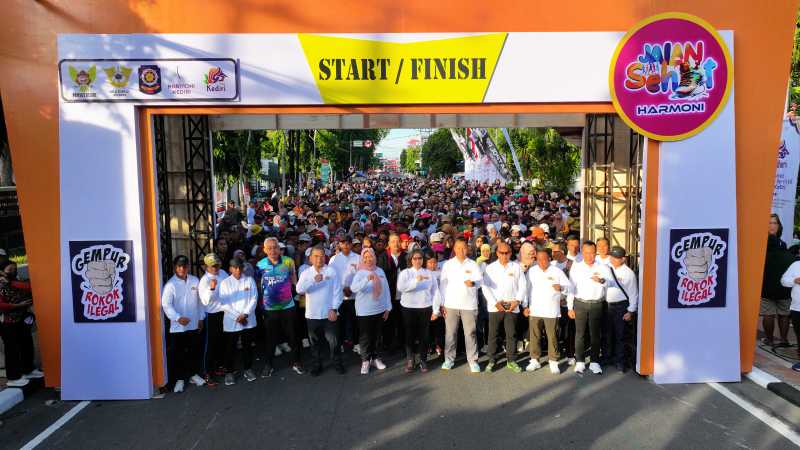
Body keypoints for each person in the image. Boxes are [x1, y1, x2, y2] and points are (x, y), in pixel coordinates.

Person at [257, 237, 304, 377]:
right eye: (269, 248)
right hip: (270, 308)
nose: (273, 250)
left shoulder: (288, 261)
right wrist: (261, 304)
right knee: (270, 339)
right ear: (265, 250)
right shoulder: (260, 264)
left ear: (279, 248)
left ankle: (297, 362)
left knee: (293, 336)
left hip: (288, 306)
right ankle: (269, 365)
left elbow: (294, 279)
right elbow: (259, 284)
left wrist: (297, 295)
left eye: (275, 247)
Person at [296, 246, 344, 376]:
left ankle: (337, 362)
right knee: (315, 343)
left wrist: (334, 309)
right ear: (310, 258)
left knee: (334, 341)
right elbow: (299, 289)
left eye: (322, 256)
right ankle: (317, 365)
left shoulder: (331, 271)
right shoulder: (306, 273)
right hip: (312, 315)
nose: (319, 259)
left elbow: (338, 292)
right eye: (316, 256)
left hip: (330, 313)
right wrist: (313, 280)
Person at [160, 255, 206, 393]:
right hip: (178, 326)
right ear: (175, 267)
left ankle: (193, 375)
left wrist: (201, 318)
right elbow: (166, 305)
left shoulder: (195, 280)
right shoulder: (170, 285)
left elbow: (200, 301)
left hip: (193, 323)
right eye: (179, 266)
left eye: (184, 266)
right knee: (179, 353)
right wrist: (177, 318)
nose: (182, 269)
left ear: (188, 267)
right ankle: (180, 379)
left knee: (193, 351)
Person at [437, 237, 483, 373]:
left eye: (463, 248)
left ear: (467, 249)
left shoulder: (473, 264)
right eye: (458, 248)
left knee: (470, 334)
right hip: (451, 304)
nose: (461, 250)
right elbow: (443, 285)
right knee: (450, 333)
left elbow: (480, 281)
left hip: (469, 305)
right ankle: (449, 359)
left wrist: (473, 283)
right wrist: (442, 303)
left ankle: (473, 361)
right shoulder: (448, 265)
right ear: (454, 249)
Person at [481, 242, 527, 373]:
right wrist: (495, 302)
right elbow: (485, 286)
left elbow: (523, 285)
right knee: (493, 334)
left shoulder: (516, 267)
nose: (504, 255)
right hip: (495, 306)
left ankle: (511, 360)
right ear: (497, 253)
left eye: (507, 253)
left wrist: (517, 301)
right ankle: (492, 360)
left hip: (512, 306)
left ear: (511, 253)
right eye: (502, 253)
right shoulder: (490, 268)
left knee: (511, 334)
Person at [567, 240, 611, 375]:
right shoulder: (576, 267)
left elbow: (610, 283)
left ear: (595, 252)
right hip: (580, 303)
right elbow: (571, 288)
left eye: (592, 253)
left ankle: (594, 362)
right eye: (586, 253)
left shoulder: (603, 267)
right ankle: (580, 361)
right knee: (579, 334)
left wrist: (602, 280)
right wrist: (570, 307)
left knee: (595, 334)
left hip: (597, 304)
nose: (589, 256)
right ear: (582, 252)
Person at [525, 246, 572, 374]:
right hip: (535, 309)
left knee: (552, 336)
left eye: (544, 259)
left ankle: (553, 361)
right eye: (539, 259)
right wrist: (525, 306)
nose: (542, 262)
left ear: (549, 259)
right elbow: (526, 289)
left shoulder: (557, 271)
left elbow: (569, 288)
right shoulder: (532, 271)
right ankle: (534, 360)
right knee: (535, 336)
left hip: (551, 310)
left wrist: (561, 288)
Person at [396, 249, 439, 373]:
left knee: (424, 335)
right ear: (410, 259)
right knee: (409, 334)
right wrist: (416, 280)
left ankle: (423, 359)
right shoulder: (405, 273)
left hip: (425, 307)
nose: (417, 260)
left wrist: (435, 310)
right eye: (415, 258)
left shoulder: (429, 273)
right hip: (408, 308)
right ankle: (410, 359)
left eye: (420, 258)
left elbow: (435, 292)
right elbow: (401, 288)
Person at [350, 248, 392, 375]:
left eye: (371, 256)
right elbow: (354, 288)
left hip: (379, 309)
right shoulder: (360, 273)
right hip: (364, 311)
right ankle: (365, 360)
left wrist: (388, 308)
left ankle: (375, 358)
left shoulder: (380, 271)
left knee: (377, 336)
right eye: (366, 257)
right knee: (365, 338)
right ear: (362, 259)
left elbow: (386, 290)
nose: (369, 259)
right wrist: (366, 279)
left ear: (375, 258)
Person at [0, 261, 42, 387]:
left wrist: (11, 282)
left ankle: (28, 370)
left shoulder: (17, 281)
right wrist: (17, 305)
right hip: (8, 322)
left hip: (22, 319)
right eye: (10, 269)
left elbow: (29, 287)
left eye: (15, 269)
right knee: (12, 349)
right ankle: (13, 377)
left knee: (26, 344)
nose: (13, 271)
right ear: (1, 271)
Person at [218, 258, 258, 385]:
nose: (238, 270)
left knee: (248, 346)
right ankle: (229, 372)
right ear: (230, 269)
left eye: (240, 267)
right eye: (235, 267)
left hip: (247, 319)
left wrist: (245, 314)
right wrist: (238, 317)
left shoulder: (249, 280)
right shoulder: (225, 283)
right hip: (232, 321)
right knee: (230, 347)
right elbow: (224, 303)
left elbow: (254, 298)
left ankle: (248, 369)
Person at [605, 246, 638, 372]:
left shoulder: (629, 273)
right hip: (607, 305)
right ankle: (608, 357)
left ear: (623, 259)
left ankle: (620, 361)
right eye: (611, 256)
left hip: (621, 306)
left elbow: (634, 293)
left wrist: (630, 311)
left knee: (620, 335)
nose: (612, 259)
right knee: (608, 334)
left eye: (616, 257)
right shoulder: (607, 269)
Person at [198, 253, 228, 382]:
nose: (215, 268)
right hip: (211, 315)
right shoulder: (204, 280)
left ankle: (219, 367)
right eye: (212, 266)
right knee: (210, 344)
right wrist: (211, 288)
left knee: (222, 341)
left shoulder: (223, 273)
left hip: (224, 313)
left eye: (217, 265)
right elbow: (205, 301)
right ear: (206, 266)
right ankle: (207, 372)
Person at [329, 237, 361, 352]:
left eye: (348, 243)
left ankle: (357, 344)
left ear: (351, 244)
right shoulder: (334, 259)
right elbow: (331, 277)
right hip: (340, 296)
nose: (346, 245)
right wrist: (342, 289)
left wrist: (351, 288)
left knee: (355, 321)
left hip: (355, 296)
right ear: (339, 245)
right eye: (343, 243)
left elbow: (360, 275)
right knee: (340, 322)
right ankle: (341, 343)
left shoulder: (358, 258)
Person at [762, 234, 794, 347]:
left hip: (766, 290)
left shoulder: (763, 255)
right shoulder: (789, 255)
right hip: (785, 291)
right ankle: (784, 339)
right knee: (784, 315)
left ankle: (769, 340)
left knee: (768, 315)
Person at [377, 233, 406, 352]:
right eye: (393, 241)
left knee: (402, 321)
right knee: (388, 322)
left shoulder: (406, 256)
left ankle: (403, 343)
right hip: (388, 294)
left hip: (403, 296)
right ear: (388, 244)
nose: (396, 243)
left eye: (398, 241)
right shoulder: (383, 257)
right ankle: (388, 344)